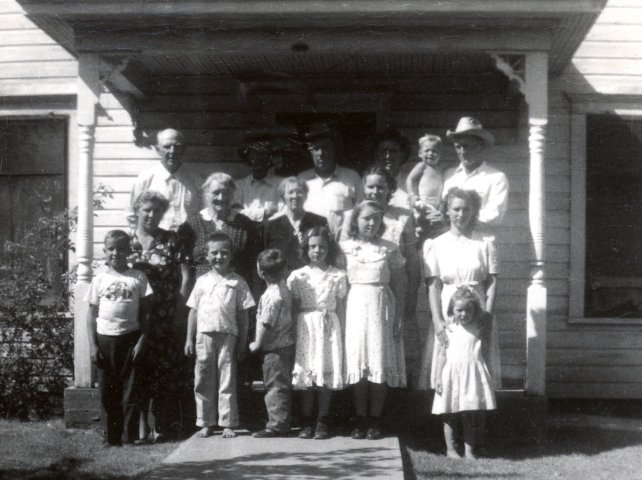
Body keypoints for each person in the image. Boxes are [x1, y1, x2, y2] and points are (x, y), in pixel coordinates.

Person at [419, 188, 501, 392]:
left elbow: (492, 281)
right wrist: (438, 321)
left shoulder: (484, 243)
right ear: (446, 211)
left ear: (474, 211)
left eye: (466, 209)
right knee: (447, 362)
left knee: (477, 361)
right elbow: (433, 286)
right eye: (456, 209)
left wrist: (487, 315)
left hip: (478, 309)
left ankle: (477, 417)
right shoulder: (435, 245)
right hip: (449, 310)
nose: (461, 214)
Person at [128, 191, 192, 442]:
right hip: (135, 318)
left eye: (157, 211)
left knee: (164, 370)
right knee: (139, 369)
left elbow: (186, 277)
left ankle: (162, 425)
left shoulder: (171, 240)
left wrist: (180, 310)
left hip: (165, 315)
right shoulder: (128, 241)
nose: (151, 215)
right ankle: (141, 425)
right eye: (147, 210)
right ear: (137, 210)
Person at [340, 201, 407, 440]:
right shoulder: (345, 248)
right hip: (355, 306)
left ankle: (375, 419)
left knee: (378, 360)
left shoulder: (389, 248)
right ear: (356, 220)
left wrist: (399, 317)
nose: (370, 223)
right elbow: (338, 285)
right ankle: (360, 418)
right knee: (359, 363)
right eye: (365, 218)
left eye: (375, 219)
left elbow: (401, 283)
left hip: (382, 308)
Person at [184, 232, 255, 439]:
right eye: (214, 253)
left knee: (227, 379)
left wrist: (242, 343)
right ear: (206, 256)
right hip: (203, 335)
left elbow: (244, 316)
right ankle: (206, 422)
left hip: (228, 335)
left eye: (224, 253)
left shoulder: (238, 282)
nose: (219, 257)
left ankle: (227, 422)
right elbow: (193, 311)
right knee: (203, 378)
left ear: (231, 255)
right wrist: (189, 339)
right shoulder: (201, 281)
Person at [86, 230, 153, 446]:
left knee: (129, 390)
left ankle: (128, 435)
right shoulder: (99, 279)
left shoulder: (138, 277)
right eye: (111, 249)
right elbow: (91, 314)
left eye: (121, 249)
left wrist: (142, 340)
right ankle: (110, 436)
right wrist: (92, 345)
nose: (116, 253)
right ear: (104, 251)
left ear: (129, 251)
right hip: (105, 339)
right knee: (107, 390)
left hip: (130, 338)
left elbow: (146, 313)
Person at [288, 226, 347, 440]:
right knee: (308, 375)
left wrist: (343, 332)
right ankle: (306, 421)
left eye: (322, 246)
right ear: (306, 248)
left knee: (325, 374)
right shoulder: (298, 276)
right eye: (313, 246)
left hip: (329, 327)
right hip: (306, 328)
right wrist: (293, 331)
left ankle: (322, 420)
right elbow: (293, 307)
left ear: (329, 248)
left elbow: (340, 307)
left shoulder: (337, 275)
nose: (317, 250)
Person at [340, 166, 420, 318]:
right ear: (363, 188)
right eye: (371, 187)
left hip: (396, 288)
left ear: (390, 189)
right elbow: (341, 258)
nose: (375, 192)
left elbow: (412, 259)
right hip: (359, 289)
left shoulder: (403, 216)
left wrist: (412, 293)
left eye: (381, 187)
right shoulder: (351, 216)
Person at [432, 286, 496, 460]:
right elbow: (442, 355)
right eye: (459, 310)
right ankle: (451, 450)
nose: (464, 314)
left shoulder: (479, 328)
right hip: (451, 376)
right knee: (449, 414)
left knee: (471, 414)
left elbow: (485, 352)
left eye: (468, 310)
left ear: (475, 310)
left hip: (472, 376)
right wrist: (437, 377)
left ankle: (470, 450)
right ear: (452, 310)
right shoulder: (448, 330)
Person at [250, 249, 295, 438]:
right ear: (284, 270)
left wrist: (256, 344)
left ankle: (277, 424)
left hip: (274, 348)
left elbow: (267, 324)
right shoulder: (284, 289)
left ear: (261, 272)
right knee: (282, 383)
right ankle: (281, 420)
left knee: (275, 385)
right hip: (287, 344)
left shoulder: (271, 297)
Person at [442, 117, 509, 237]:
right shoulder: (449, 176)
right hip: (451, 244)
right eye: (458, 146)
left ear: (481, 146)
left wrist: (459, 220)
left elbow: (494, 215)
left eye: (468, 146)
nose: (463, 151)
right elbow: (442, 208)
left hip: (481, 244)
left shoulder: (496, 178)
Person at [127, 128, 202, 231]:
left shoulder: (196, 180)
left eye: (177, 146)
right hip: (156, 242)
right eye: (167, 147)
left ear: (184, 149)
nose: (172, 151)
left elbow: (205, 213)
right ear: (157, 149)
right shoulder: (145, 180)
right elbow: (132, 214)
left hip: (189, 240)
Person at [298, 123, 362, 237]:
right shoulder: (301, 179)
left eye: (325, 148)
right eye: (316, 149)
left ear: (333, 149)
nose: (321, 153)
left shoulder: (352, 177)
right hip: (311, 248)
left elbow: (361, 214)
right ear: (310, 153)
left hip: (342, 246)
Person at [264, 177, 329, 275]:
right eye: (290, 192)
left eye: (299, 192)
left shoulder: (319, 222)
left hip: (312, 279)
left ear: (305, 196)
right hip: (282, 281)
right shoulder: (271, 226)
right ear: (283, 197)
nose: (295, 196)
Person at [233, 135, 282, 223]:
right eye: (255, 154)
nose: (259, 159)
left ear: (270, 159)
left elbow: (282, 213)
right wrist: (264, 213)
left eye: (263, 154)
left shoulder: (282, 184)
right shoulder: (239, 185)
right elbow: (234, 212)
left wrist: (247, 213)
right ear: (249, 159)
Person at [405, 134, 445, 240]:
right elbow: (410, 179)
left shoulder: (440, 170)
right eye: (427, 150)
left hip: (435, 206)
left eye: (435, 151)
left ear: (440, 155)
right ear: (420, 153)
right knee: (420, 226)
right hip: (422, 204)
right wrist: (413, 196)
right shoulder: (422, 166)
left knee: (434, 229)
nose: (430, 153)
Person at [373, 128, 413, 209]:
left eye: (393, 151)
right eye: (383, 152)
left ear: (402, 154)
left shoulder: (410, 182)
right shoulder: (369, 184)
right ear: (377, 154)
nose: (387, 156)